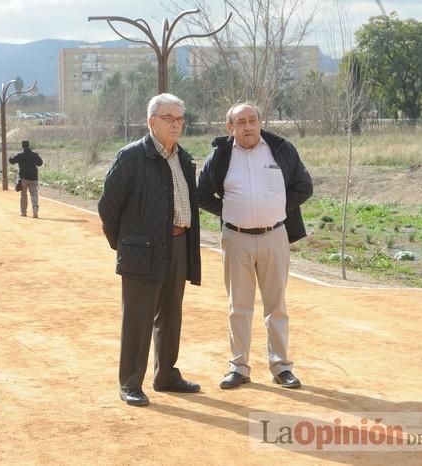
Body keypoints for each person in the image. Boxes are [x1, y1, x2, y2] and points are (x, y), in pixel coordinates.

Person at [197, 102, 313, 390]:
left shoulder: (281, 149)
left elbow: (304, 185)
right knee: (239, 306)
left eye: (252, 120)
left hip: (275, 236)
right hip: (236, 239)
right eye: (241, 122)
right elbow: (200, 193)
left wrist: (278, 207)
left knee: (276, 307)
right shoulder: (221, 156)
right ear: (230, 127)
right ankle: (239, 367)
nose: (248, 127)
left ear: (260, 122)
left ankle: (281, 366)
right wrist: (227, 211)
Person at [98, 93, 202, 407]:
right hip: (142, 249)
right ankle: (130, 382)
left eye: (180, 118)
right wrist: (126, 245)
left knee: (171, 314)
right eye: (168, 118)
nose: (175, 124)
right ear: (151, 121)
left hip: (179, 244)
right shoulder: (131, 156)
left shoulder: (183, 158)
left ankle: (166, 374)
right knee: (138, 318)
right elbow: (108, 208)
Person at [8, 140, 43, 217]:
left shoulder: (20, 155)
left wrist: (11, 157)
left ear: (22, 146)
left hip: (24, 178)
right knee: (34, 194)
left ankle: (24, 212)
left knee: (23, 195)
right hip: (34, 178)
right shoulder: (34, 155)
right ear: (29, 145)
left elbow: (12, 161)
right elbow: (40, 163)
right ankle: (35, 207)